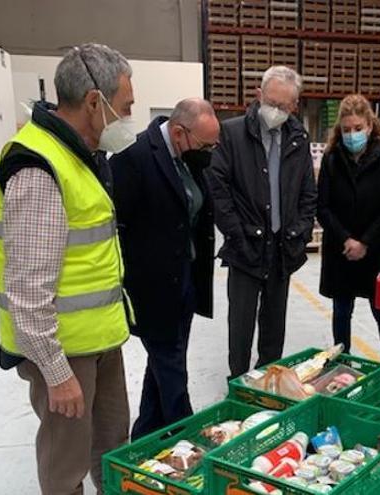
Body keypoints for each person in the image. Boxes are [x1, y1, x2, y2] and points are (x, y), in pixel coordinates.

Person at [0, 43, 135, 494]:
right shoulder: (38, 167)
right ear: (94, 102)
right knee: (66, 465)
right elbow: (26, 291)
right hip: (65, 351)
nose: (127, 119)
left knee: (111, 448)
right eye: (124, 108)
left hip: (98, 340)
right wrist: (56, 372)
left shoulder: (77, 155)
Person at [109, 98, 219, 439]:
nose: (209, 152)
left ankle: (144, 436)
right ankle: (188, 439)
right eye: (205, 145)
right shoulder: (134, 157)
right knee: (171, 367)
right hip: (151, 288)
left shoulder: (190, 158)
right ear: (178, 132)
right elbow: (117, 227)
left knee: (162, 365)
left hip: (184, 280)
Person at [207, 66, 317, 379]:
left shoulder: (298, 138)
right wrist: (236, 234)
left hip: (282, 248)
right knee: (240, 326)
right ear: (258, 96)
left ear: (294, 106)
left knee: (274, 326)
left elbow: (308, 192)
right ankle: (238, 381)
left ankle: (267, 383)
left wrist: (300, 233)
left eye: (283, 107)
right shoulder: (233, 133)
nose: (276, 111)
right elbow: (218, 187)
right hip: (245, 248)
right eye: (271, 102)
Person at [317, 94, 380, 359]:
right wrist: (346, 240)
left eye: (358, 128)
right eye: (346, 129)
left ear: (370, 126)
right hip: (341, 252)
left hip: (375, 251)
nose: (352, 135)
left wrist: (364, 242)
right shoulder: (331, 159)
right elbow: (323, 207)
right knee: (341, 312)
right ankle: (342, 365)